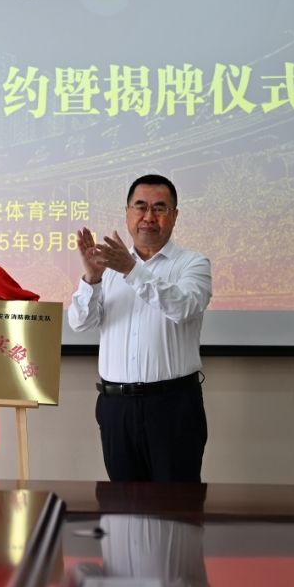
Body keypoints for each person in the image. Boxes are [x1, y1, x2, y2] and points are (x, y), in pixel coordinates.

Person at [68, 175, 212, 482]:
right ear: (127, 213)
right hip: (115, 407)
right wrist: (92, 278)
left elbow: (183, 307)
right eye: (141, 206)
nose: (149, 216)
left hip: (172, 407)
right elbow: (80, 323)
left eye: (159, 208)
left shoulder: (192, 264)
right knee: (121, 506)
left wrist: (132, 270)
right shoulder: (108, 267)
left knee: (177, 505)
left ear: (175, 215)